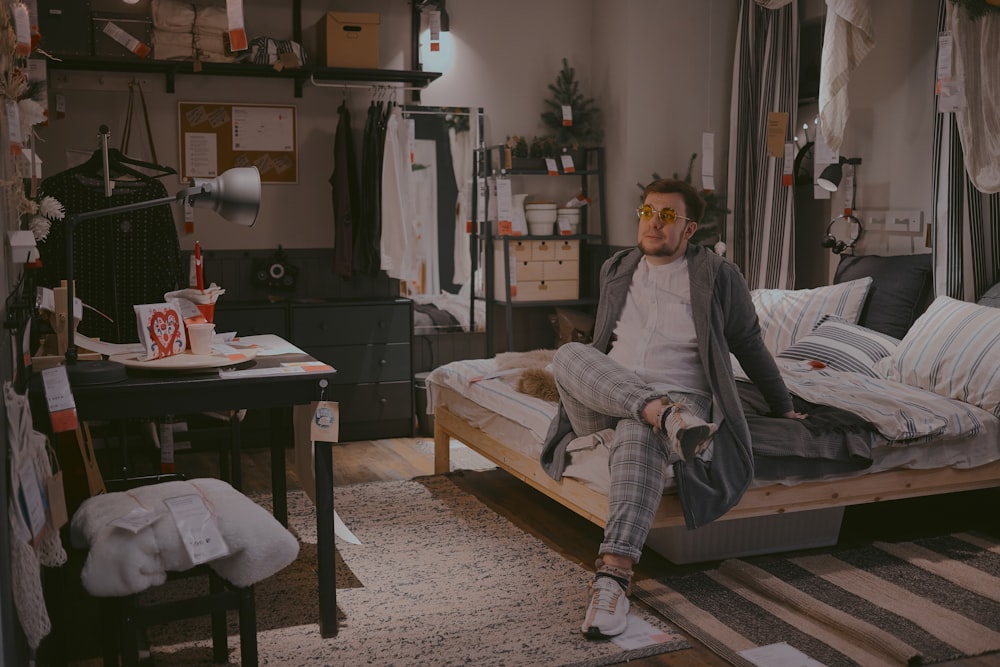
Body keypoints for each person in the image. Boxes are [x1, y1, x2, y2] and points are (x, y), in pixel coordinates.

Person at [539, 178, 806, 639]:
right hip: (610, 398)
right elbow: (601, 340)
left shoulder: (719, 275)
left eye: (667, 216)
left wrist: (782, 405)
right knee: (567, 356)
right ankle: (658, 413)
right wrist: (648, 404)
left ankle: (613, 578)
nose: (654, 224)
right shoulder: (616, 267)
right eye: (648, 212)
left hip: (685, 398)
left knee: (638, 434)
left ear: (689, 229)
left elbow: (748, 343)